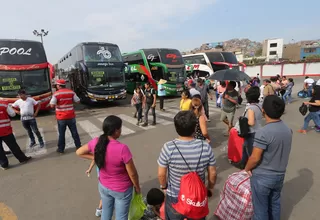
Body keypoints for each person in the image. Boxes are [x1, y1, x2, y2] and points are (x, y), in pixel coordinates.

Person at [76, 115, 141, 220]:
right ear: (116, 131)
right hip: (121, 190)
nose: (121, 130)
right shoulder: (122, 149)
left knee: (106, 212)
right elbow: (132, 173)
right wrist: (137, 187)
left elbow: (79, 152)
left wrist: (96, 157)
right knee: (121, 216)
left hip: (104, 186)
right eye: (120, 128)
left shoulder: (96, 141)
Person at [157, 111, 217, 220]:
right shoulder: (205, 146)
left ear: (176, 127)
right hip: (196, 197)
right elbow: (212, 172)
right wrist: (210, 188)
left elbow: (161, 174)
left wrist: (164, 187)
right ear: (195, 127)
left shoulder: (168, 147)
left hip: (175, 195)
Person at [245, 95, 292, 220]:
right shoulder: (288, 129)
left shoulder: (263, 132)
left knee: (260, 210)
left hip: (262, 177)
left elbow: (254, 158)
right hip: (280, 175)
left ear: (263, 111)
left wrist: (247, 169)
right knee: (275, 204)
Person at [50, 79, 81, 154]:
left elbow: (52, 105)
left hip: (61, 117)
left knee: (62, 134)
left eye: (57, 85)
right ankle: (78, 146)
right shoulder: (71, 92)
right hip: (71, 116)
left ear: (59, 86)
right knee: (74, 132)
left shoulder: (56, 94)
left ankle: (61, 149)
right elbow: (78, 101)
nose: (56, 86)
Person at [0, 101, 32, 170]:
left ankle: (4, 164)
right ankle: (22, 159)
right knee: (13, 146)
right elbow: (13, 114)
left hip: (5, 130)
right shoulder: (3, 104)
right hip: (5, 130)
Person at [240, 87, 263, 166]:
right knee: (245, 147)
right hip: (258, 129)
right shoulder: (259, 105)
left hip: (251, 132)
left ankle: (251, 168)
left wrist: (243, 119)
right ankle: (242, 163)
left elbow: (251, 122)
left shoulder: (250, 108)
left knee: (250, 152)